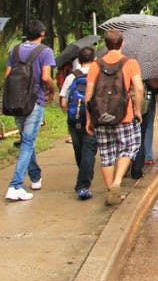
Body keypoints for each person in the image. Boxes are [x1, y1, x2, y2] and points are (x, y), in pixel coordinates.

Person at [85, 29, 144, 206]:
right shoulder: (130, 63)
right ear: (122, 44)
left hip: (101, 116)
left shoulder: (96, 65)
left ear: (105, 44)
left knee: (106, 155)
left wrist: (89, 118)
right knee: (130, 147)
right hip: (123, 116)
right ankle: (117, 183)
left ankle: (111, 190)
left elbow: (88, 94)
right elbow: (139, 88)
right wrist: (137, 109)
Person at [4, 19, 55, 201]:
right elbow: (47, 77)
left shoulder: (15, 50)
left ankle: (35, 177)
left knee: (27, 140)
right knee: (27, 143)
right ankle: (15, 185)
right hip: (34, 101)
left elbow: (8, 75)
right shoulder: (45, 52)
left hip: (15, 101)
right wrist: (51, 90)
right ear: (41, 34)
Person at [59, 46, 98, 200]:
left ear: (79, 60)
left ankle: (84, 175)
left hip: (74, 119)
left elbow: (63, 101)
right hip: (92, 119)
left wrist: (70, 112)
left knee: (79, 150)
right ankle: (83, 185)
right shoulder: (98, 75)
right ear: (94, 59)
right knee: (89, 150)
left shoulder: (72, 77)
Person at [130, 76, 158, 180]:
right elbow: (155, 85)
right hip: (146, 100)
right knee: (145, 130)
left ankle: (125, 164)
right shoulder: (148, 66)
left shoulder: (125, 63)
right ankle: (146, 157)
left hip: (126, 100)